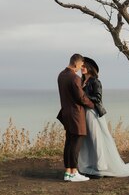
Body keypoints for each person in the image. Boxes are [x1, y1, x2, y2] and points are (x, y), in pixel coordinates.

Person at [78, 57, 129, 177]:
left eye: (84, 66)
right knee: (87, 141)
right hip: (84, 113)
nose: (81, 68)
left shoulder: (95, 81)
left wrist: (83, 95)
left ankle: (101, 166)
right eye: (81, 66)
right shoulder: (82, 81)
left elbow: (98, 99)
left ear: (89, 68)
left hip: (93, 113)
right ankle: (91, 164)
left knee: (96, 139)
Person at [56, 53, 95, 182]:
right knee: (76, 143)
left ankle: (68, 172)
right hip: (76, 115)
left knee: (69, 142)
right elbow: (81, 98)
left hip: (66, 113)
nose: (80, 68)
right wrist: (92, 104)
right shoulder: (74, 78)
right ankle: (74, 172)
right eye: (80, 65)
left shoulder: (61, 75)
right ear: (75, 63)